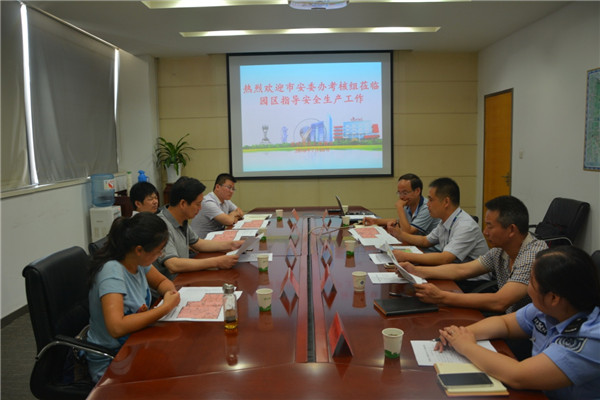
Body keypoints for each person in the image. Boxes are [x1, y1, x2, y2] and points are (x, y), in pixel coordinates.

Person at [435, 246, 600, 399]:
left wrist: (466, 346)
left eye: (531, 282)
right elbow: (504, 324)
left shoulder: (591, 339)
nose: (527, 287)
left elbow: (518, 375)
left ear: (553, 298)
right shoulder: (549, 309)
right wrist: (460, 334)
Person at [400, 195, 548, 314]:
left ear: (511, 230)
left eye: (490, 226)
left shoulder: (533, 256)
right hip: (510, 319)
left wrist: (441, 296)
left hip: (529, 332)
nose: (485, 232)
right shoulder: (500, 250)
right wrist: (416, 271)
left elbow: (500, 302)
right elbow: (461, 269)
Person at [86, 212, 181, 382]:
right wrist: (166, 307)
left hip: (135, 343)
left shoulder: (137, 261)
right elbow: (116, 327)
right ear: (139, 250)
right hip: (112, 358)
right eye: (158, 251)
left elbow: (162, 282)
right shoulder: (112, 272)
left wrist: (169, 293)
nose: (161, 255)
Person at [156, 176, 243, 280]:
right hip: (172, 284)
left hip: (184, 277)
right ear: (183, 203)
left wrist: (232, 244)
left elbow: (198, 243)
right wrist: (217, 262)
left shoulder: (182, 218)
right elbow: (173, 265)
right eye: (197, 204)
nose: (200, 208)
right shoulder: (160, 225)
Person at [390, 177, 489, 267]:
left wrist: (406, 256)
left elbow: (445, 258)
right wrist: (400, 234)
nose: (427, 204)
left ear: (446, 202)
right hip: (451, 271)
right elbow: (425, 241)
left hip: (471, 279)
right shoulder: (445, 221)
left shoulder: (466, 226)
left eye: (431, 200)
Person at [364, 173, 439, 236]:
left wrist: (399, 207)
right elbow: (401, 222)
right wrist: (375, 221)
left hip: (430, 248)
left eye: (405, 193)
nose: (401, 197)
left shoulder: (427, 207)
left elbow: (407, 232)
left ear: (417, 191)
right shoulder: (409, 203)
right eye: (399, 193)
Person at [190, 173, 244, 238]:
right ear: (218, 187)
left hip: (216, 237)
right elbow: (228, 221)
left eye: (233, 189)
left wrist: (231, 217)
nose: (231, 191)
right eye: (229, 187)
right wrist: (232, 216)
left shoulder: (226, 200)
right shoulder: (208, 202)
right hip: (203, 240)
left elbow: (240, 212)